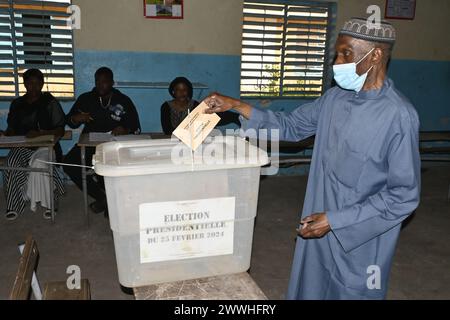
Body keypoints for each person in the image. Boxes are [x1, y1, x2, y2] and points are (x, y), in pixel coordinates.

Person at [204, 18, 421, 299]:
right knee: (313, 286)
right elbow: (292, 125)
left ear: (376, 55)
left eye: (346, 54)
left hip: (361, 237)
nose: (337, 62)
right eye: (336, 54)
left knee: (353, 290)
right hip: (319, 221)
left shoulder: (398, 116)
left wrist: (336, 220)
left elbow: (403, 195)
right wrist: (237, 106)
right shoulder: (335, 99)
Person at [64, 67, 141, 215]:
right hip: (90, 145)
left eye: (104, 82)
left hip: (114, 147)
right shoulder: (86, 98)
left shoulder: (123, 101)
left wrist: (125, 130)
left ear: (112, 82)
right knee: (69, 164)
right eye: (97, 81)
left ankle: (110, 203)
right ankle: (104, 199)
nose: (100, 85)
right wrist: (76, 118)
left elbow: (136, 128)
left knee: (106, 170)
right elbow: (70, 120)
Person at [0, 69, 66, 221]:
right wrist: (4, 134)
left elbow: (60, 130)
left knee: (41, 164)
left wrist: (39, 134)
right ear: (24, 84)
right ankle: (14, 205)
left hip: (46, 146)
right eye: (30, 83)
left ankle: (51, 203)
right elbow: (12, 129)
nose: (34, 87)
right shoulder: (17, 104)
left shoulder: (49, 102)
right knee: (11, 162)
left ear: (42, 84)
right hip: (23, 146)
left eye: (37, 83)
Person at [160, 77, 240, 135]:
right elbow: (167, 130)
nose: (182, 93)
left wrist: (237, 117)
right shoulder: (166, 106)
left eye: (185, 90)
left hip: (192, 139)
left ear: (189, 91)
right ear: (173, 92)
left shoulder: (194, 105)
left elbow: (210, 118)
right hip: (172, 139)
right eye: (178, 90)